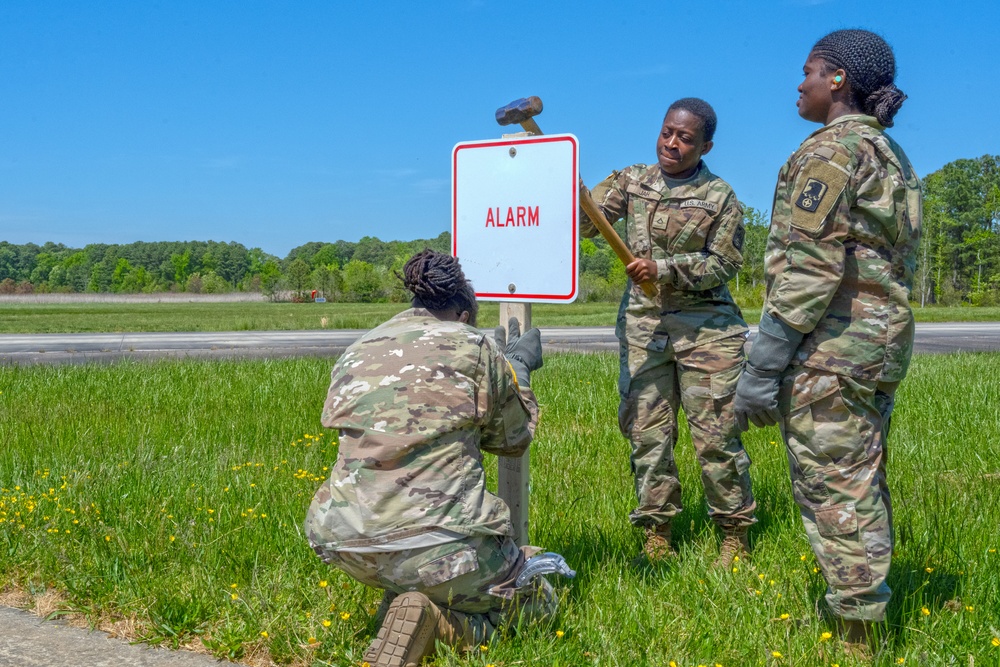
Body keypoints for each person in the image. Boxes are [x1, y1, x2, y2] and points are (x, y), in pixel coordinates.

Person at [733, 29, 921, 651]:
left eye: (809, 71)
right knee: (860, 478)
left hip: (832, 350)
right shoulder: (889, 153)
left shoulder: (831, 152)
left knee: (835, 488)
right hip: (878, 344)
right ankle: (865, 611)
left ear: (837, 79)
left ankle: (857, 634)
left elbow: (811, 269)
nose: (800, 83)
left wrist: (763, 363)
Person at [304, 249, 560, 667]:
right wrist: (516, 372)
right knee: (539, 602)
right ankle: (442, 625)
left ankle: (404, 600)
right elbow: (512, 440)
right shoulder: (474, 348)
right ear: (462, 314)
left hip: (345, 540)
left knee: (414, 562)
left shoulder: (357, 348)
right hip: (441, 544)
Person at [581, 98, 756, 567]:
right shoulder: (633, 180)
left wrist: (665, 268)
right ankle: (657, 532)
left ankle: (734, 533)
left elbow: (724, 264)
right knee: (647, 433)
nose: (672, 145)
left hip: (707, 332)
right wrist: (568, 191)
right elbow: (586, 223)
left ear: (706, 145)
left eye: (685, 139)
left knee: (716, 436)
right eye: (666, 133)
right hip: (644, 327)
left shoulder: (720, 197)